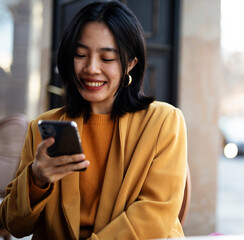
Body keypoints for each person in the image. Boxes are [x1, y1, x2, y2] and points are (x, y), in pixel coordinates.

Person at [0, 1, 187, 239]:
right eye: (80, 55)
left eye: (107, 58)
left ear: (130, 63)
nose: (91, 68)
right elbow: (14, 225)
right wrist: (36, 178)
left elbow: (155, 214)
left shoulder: (163, 121)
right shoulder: (42, 128)